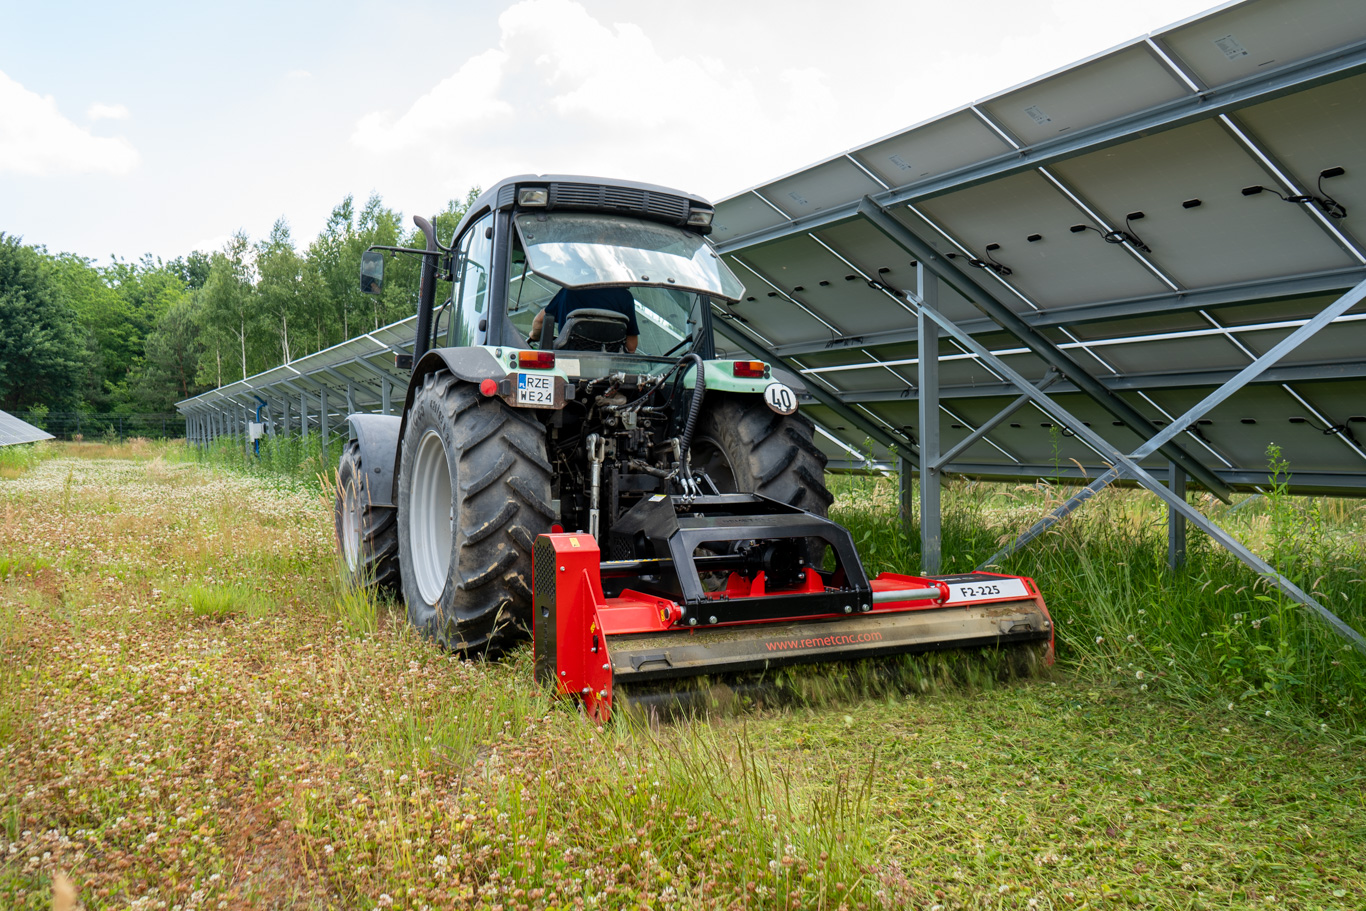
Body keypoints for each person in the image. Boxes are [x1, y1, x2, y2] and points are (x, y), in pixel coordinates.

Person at [530, 286, 639, 353]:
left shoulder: (569, 291)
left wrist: (534, 336)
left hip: (567, 361)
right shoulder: (625, 297)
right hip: (608, 369)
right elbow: (631, 347)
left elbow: (540, 321)